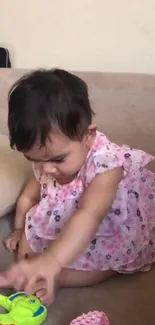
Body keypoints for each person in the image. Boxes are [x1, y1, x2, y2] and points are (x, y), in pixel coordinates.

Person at [1, 69, 155, 306]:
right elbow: (27, 198)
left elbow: (89, 215)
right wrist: (20, 229)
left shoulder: (106, 163)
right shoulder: (46, 162)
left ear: (88, 135)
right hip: (63, 212)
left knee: (111, 259)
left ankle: (61, 277)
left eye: (57, 159)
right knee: (28, 256)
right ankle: (39, 272)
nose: (46, 171)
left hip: (102, 218)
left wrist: (53, 261)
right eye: (34, 160)